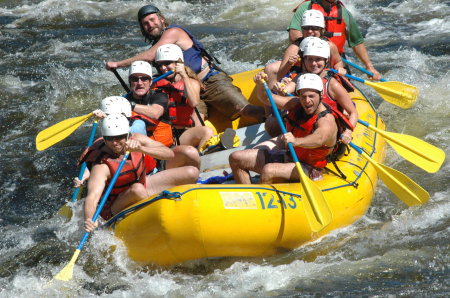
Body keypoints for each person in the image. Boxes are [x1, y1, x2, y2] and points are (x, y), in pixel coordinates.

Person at [105, 4, 265, 122]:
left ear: (161, 19)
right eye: (145, 23)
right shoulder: (158, 45)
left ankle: (278, 117)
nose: (150, 25)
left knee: (246, 110)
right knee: (196, 123)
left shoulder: (173, 32)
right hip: (189, 90)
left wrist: (117, 64)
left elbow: (149, 56)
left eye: (152, 20)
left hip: (210, 81)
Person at [80, 114, 199, 232]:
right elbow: (92, 197)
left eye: (118, 137)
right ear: (104, 139)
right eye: (109, 139)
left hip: (143, 187)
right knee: (137, 189)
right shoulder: (102, 166)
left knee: (191, 173)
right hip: (116, 205)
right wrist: (90, 220)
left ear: (127, 135)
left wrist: (141, 149)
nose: (114, 143)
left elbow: (169, 154)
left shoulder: (137, 139)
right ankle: (155, 219)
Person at [229, 73, 338, 183]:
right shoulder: (295, 103)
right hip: (288, 157)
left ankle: (263, 196)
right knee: (236, 157)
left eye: (311, 96)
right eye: (303, 96)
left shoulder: (326, 120)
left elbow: (319, 139)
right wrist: (260, 85)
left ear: (321, 94)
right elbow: (267, 98)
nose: (307, 101)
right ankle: (248, 195)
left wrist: (296, 141)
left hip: (310, 168)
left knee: (269, 171)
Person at [273, 37, 357, 144]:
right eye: (310, 59)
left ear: (326, 60)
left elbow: (353, 112)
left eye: (318, 59)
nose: (313, 63)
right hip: (304, 126)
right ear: (304, 60)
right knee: (272, 124)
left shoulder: (332, 84)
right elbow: (285, 91)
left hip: (327, 130)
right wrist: (280, 88)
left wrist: (348, 132)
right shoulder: (300, 78)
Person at [287, 0, 381, 80]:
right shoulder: (306, 7)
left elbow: (356, 42)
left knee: (343, 84)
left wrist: (369, 67)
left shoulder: (344, 12)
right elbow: (294, 35)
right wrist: (314, 51)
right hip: (307, 60)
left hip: (335, 60)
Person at [153, 44, 214, 150]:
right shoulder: (155, 83)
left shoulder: (191, 82)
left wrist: (184, 76)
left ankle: (200, 157)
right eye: (160, 64)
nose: (163, 68)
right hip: (162, 133)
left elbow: (194, 102)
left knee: (207, 131)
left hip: (182, 134)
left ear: (178, 63)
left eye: (167, 63)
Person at [265, 9, 345, 89]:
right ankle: (271, 95)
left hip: (321, 76)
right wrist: (289, 64)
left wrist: (339, 68)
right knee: (272, 67)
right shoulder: (294, 48)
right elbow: (280, 74)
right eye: (306, 28)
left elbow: (338, 61)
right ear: (302, 29)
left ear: (322, 30)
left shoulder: (329, 46)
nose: (310, 31)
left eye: (314, 28)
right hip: (298, 78)